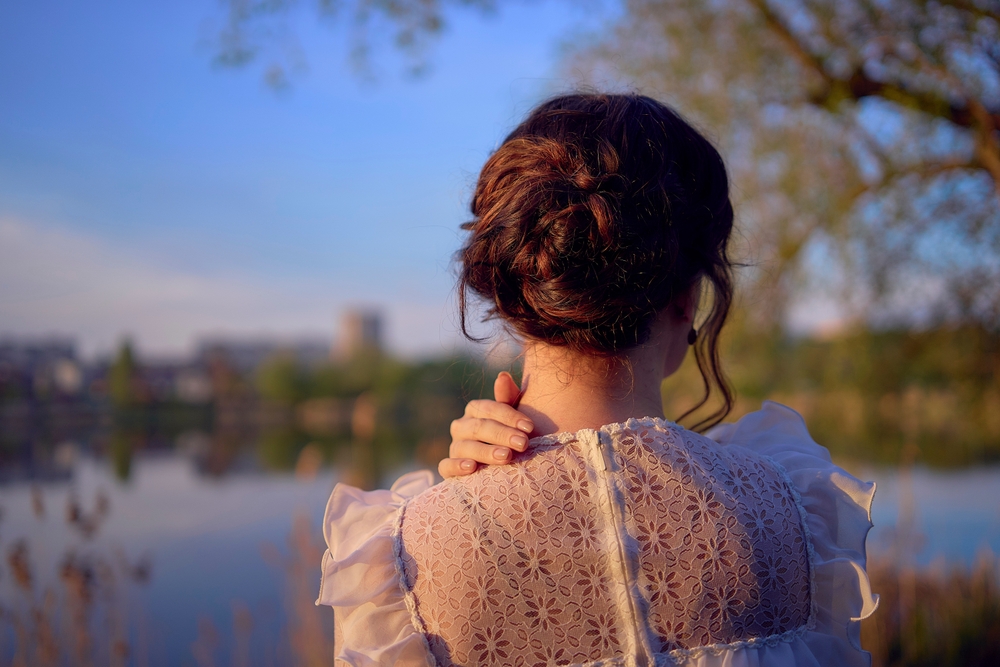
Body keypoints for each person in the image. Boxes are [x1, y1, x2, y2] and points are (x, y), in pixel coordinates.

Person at [316, 93, 878, 666]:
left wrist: (464, 494)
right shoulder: (793, 509)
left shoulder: (397, 556)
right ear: (687, 300)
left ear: (515, 300)